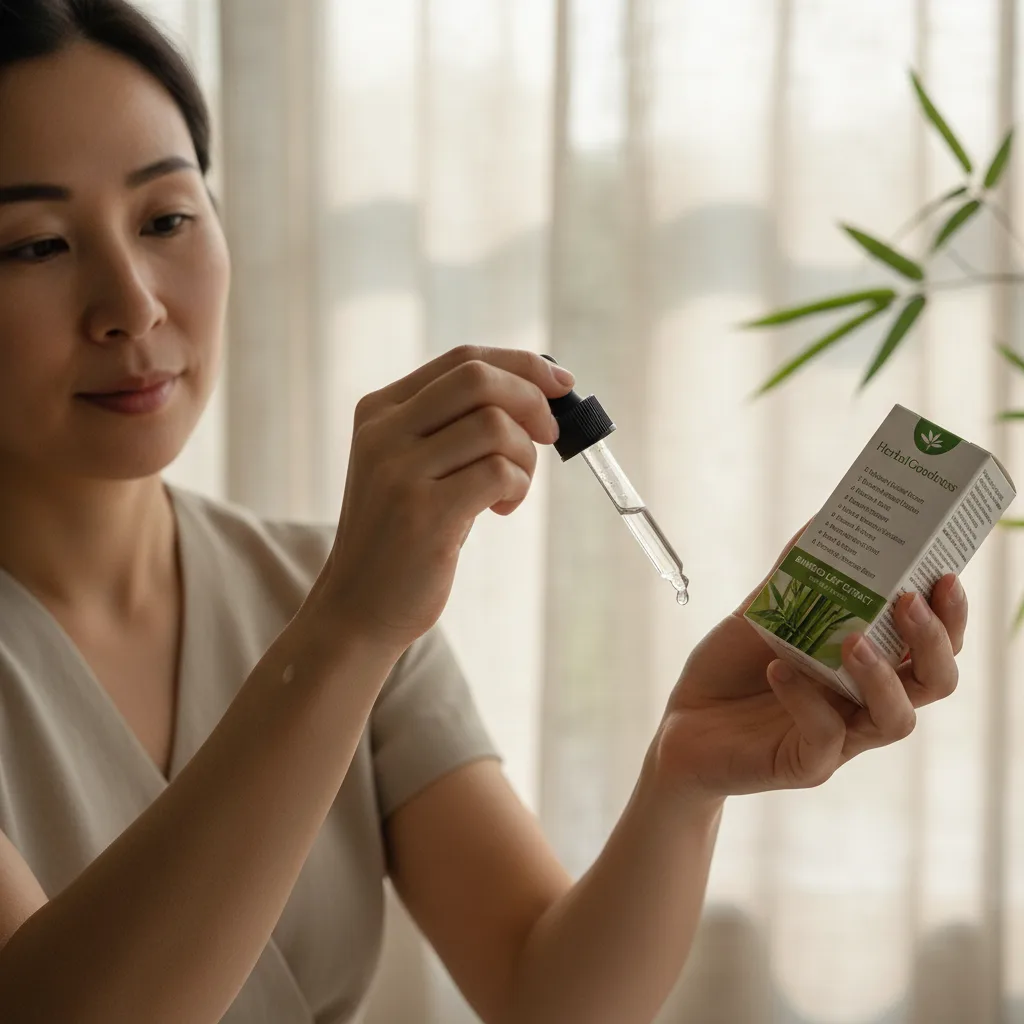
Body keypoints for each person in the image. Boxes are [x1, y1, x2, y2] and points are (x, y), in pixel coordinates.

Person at [0, 2, 967, 1022]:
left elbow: (543, 991)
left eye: (165, 218)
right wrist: (346, 630)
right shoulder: (350, 607)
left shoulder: (319, 585)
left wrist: (683, 775)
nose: (133, 303)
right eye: (31, 245)